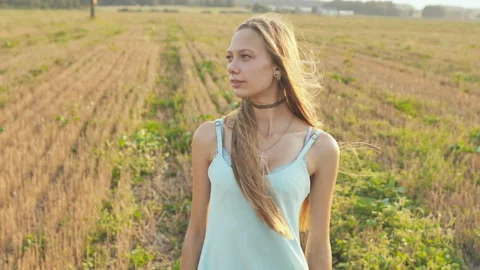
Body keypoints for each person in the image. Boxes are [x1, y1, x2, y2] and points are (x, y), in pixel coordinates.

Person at [180, 13, 340, 270]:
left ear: (278, 65)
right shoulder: (210, 137)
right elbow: (196, 232)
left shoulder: (320, 148)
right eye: (229, 57)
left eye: (245, 56)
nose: (232, 67)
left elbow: (319, 246)